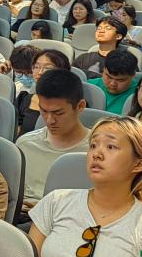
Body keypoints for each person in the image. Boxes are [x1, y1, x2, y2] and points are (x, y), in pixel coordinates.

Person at [28, 117, 142, 257]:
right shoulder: (56, 202)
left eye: (111, 147)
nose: (96, 154)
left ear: (139, 164)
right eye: (93, 145)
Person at [16, 69, 90, 213]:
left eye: (58, 113)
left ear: (80, 106)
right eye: (43, 111)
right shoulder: (25, 145)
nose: (50, 120)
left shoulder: (95, 152)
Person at [16, 50, 72, 135]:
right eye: (36, 67)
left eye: (47, 68)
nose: (40, 72)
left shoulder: (72, 104)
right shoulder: (24, 99)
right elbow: (16, 132)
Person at [88, 48, 139, 115]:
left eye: (120, 80)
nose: (112, 83)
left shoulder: (139, 95)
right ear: (103, 69)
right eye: (109, 77)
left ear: (133, 75)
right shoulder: (89, 88)